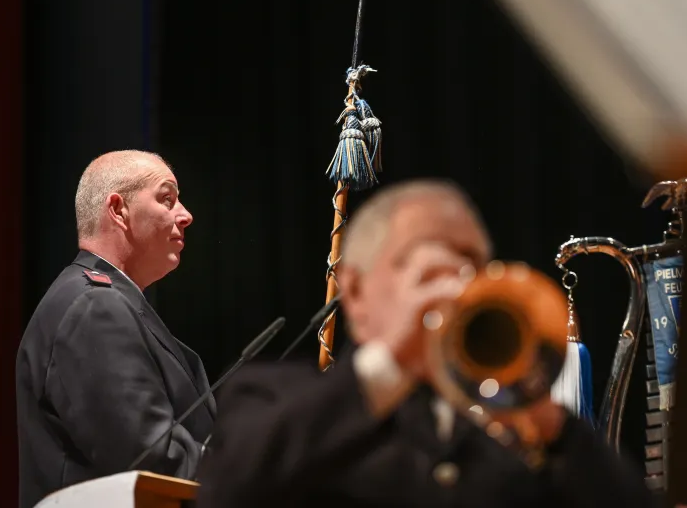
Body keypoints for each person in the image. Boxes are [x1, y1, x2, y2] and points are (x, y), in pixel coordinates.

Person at [195, 179, 655, 508]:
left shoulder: (506, 439)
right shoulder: (272, 396)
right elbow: (229, 490)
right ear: (354, 292)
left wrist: (549, 424)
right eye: (426, 269)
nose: (457, 288)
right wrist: (394, 362)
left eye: (470, 267)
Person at [16, 150, 214, 508]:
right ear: (118, 210)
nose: (185, 216)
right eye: (166, 199)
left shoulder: (102, 301)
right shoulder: (95, 307)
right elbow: (150, 456)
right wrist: (253, 477)